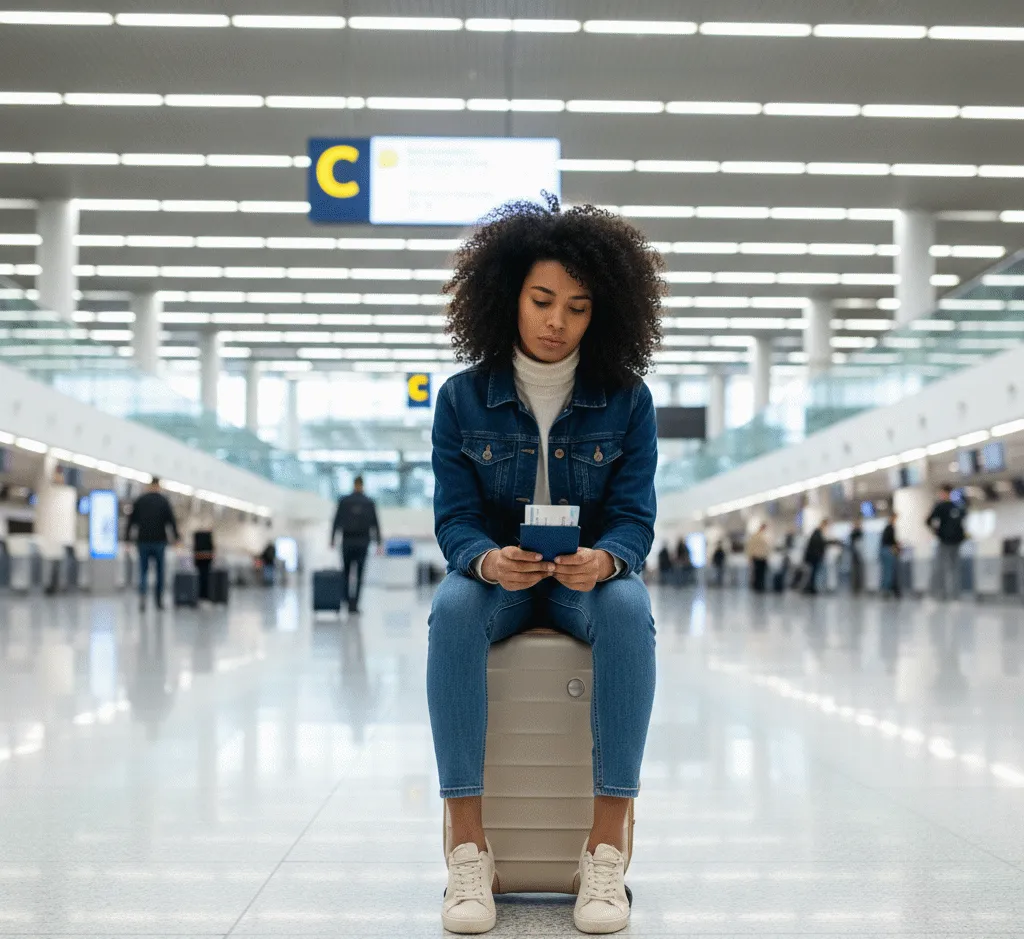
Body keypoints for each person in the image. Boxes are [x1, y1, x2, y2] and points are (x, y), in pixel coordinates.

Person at [427, 198, 661, 934]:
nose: (557, 320)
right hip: (501, 582)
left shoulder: (627, 401)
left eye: (579, 307)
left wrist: (608, 558)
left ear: (603, 314)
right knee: (454, 606)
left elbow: (635, 518)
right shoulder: (462, 398)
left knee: (629, 606)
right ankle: (468, 848)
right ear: (508, 296)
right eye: (541, 300)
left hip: (580, 586)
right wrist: (487, 560)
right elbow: (455, 519)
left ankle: (605, 849)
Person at [126, 477, 179, 611]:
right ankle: (158, 600)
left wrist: (127, 538)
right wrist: (176, 537)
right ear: (158, 486)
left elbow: (131, 521)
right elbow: (171, 521)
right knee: (160, 572)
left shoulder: (140, 500)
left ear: (150, 485)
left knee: (143, 571)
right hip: (159, 541)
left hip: (143, 541)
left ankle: (143, 597)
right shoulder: (163, 501)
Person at [330, 475, 380, 614]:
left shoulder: (345, 501)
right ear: (362, 485)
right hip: (362, 542)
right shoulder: (368, 502)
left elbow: (337, 520)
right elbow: (375, 523)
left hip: (348, 541)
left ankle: (347, 601)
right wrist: (378, 541)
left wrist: (333, 538)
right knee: (358, 574)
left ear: (354, 484)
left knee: (346, 573)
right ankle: (353, 604)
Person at [927, 484, 967, 600]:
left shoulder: (956, 507)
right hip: (944, 541)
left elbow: (962, 522)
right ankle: (940, 593)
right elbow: (929, 520)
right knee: (941, 568)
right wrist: (937, 533)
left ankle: (954, 594)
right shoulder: (941, 507)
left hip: (954, 542)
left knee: (953, 569)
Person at [802, 519, 829, 595]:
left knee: (814, 573)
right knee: (814, 573)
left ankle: (812, 587)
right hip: (814, 557)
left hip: (815, 556)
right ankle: (812, 587)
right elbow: (817, 545)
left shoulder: (818, 533)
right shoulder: (817, 533)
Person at [879, 513, 901, 598]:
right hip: (888, 551)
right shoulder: (890, 528)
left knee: (886, 571)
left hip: (884, 550)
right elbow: (891, 541)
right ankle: (886, 591)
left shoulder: (887, 528)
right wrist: (896, 546)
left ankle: (886, 590)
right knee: (889, 572)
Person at [745, 523, 770, 593]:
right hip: (757, 557)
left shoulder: (764, 536)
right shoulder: (756, 536)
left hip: (763, 557)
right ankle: (757, 587)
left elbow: (767, 548)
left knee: (761, 573)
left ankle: (760, 586)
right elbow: (750, 547)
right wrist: (749, 556)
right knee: (757, 573)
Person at [192, 530, 215, 602]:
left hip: (200, 555)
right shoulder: (207, 536)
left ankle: (201, 595)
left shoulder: (198, 537)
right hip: (206, 556)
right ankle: (205, 595)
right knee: (205, 576)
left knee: (201, 576)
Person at [848, 522, 864, 594]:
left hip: (856, 556)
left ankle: (857, 586)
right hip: (856, 556)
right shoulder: (855, 534)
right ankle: (856, 586)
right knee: (856, 571)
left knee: (857, 571)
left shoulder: (855, 534)